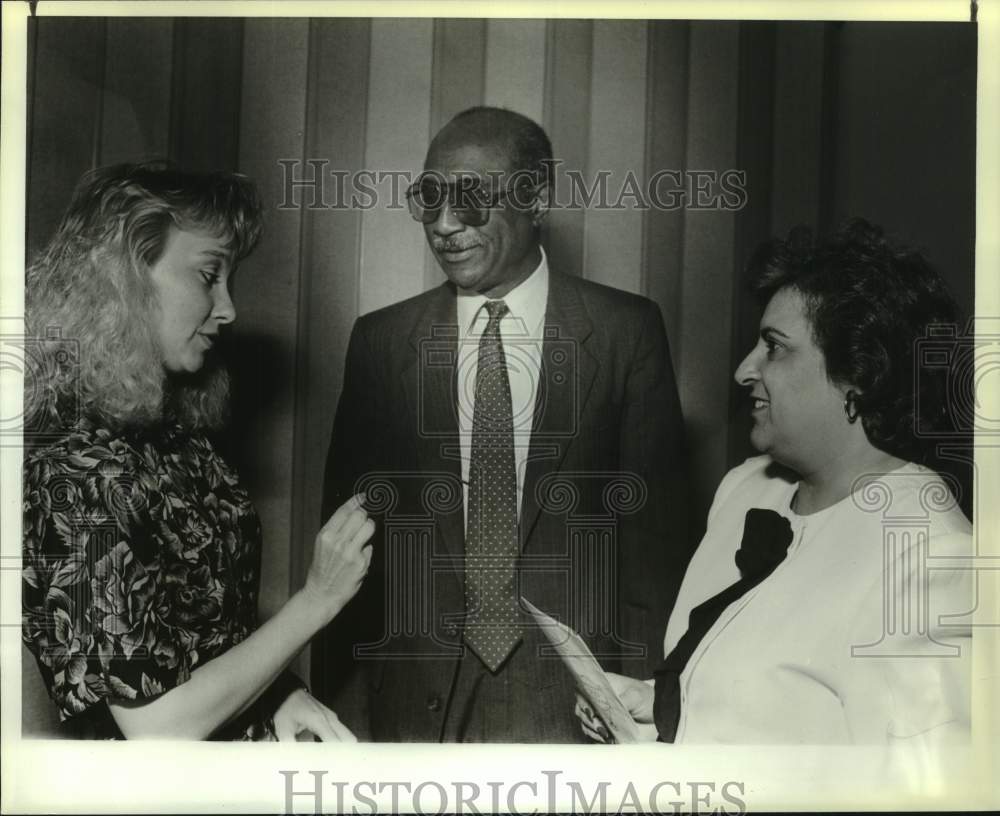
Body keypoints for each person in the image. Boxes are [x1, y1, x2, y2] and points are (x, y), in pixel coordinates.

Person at [313, 106, 692, 742]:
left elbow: (653, 556)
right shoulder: (380, 342)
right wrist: (337, 718)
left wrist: (644, 713)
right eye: (428, 199)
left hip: (571, 715)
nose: (443, 224)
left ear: (536, 197)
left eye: (467, 200)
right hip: (409, 716)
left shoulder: (627, 332)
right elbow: (345, 549)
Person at [576, 219, 972, 757]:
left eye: (775, 348)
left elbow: (924, 783)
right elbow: (759, 704)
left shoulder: (929, 553)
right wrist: (651, 705)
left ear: (860, 373)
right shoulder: (745, 490)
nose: (743, 371)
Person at [21, 162, 375, 740]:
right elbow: (158, 729)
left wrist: (282, 692)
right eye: (209, 276)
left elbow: (204, 630)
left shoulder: (173, 435)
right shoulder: (72, 473)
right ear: (125, 278)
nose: (229, 307)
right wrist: (318, 598)